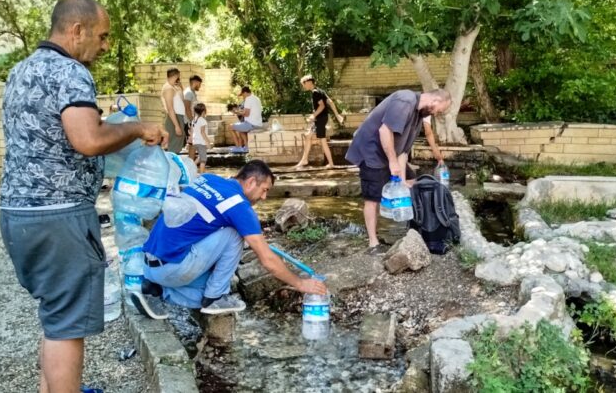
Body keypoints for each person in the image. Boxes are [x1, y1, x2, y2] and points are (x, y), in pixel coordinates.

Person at [0, 0, 167, 393]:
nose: (105, 46)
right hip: (59, 219)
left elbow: (59, 134)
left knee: (56, 314)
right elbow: (88, 140)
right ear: (77, 31)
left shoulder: (21, 71)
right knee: (68, 324)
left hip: (17, 215)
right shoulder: (70, 72)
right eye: (103, 36)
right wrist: (136, 128)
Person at [131, 160, 327, 317]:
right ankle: (214, 298)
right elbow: (267, 260)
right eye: (265, 189)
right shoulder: (239, 205)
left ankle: (157, 291)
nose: (264, 197)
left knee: (211, 285)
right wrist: (300, 284)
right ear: (251, 182)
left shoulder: (206, 179)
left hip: (148, 265)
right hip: (172, 269)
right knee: (234, 235)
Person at [345, 89, 452, 255]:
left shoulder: (419, 116)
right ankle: (373, 243)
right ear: (435, 101)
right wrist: (392, 162)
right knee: (373, 198)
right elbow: (384, 131)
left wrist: (402, 180)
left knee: (414, 183)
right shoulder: (405, 100)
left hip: (389, 154)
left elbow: (403, 151)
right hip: (371, 152)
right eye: (440, 109)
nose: (438, 113)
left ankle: (417, 234)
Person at [294, 75, 345, 170]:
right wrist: (337, 115)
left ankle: (331, 164)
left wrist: (313, 115)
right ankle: (305, 159)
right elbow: (330, 102)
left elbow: (321, 106)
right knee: (309, 136)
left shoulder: (315, 93)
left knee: (323, 141)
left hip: (320, 119)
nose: (303, 86)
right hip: (321, 119)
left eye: (303, 84)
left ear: (308, 83)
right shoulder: (320, 91)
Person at [230, 86, 263, 152]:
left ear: (245, 93)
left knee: (230, 126)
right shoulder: (256, 98)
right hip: (258, 124)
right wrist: (239, 112)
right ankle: (246, 147)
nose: (243, 97)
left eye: (242, 95)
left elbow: (246, 114)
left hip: (251, 124)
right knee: (241, 127)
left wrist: (236, 112)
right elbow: (248, 112)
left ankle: (238, 147)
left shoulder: (248, 99)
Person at [161, 67, 187, 154]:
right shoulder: (168, 88)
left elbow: (183, 100)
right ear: (176, 75)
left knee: (177, 144)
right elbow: (170, 108)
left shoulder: (173, 87)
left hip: (178, 117)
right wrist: (177, 126)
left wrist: (181, 87)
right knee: (174, 147)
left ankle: (173, 166)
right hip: (174, 118)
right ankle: (172, 166)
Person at [183, 75, 203, 158]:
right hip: (188, 122)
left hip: (192, 122)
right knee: (192, 143)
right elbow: (187, 108)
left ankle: (191, 162)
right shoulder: (188, 93)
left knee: (193, 143)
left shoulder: (192, 93)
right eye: (199, 84)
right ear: (195, 82)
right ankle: (191, 162)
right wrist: (192, 122)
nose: (200, 86)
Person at [191, 103, 211, 173]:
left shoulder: (194, 120)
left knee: (200, 156)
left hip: (195, 141)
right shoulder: (202, 120)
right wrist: (208, 142)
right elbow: (202, 132)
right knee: (203, 160)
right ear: (203, 111)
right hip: (201, 142)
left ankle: (190, 166)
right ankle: (202, 174)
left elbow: (192, 131)